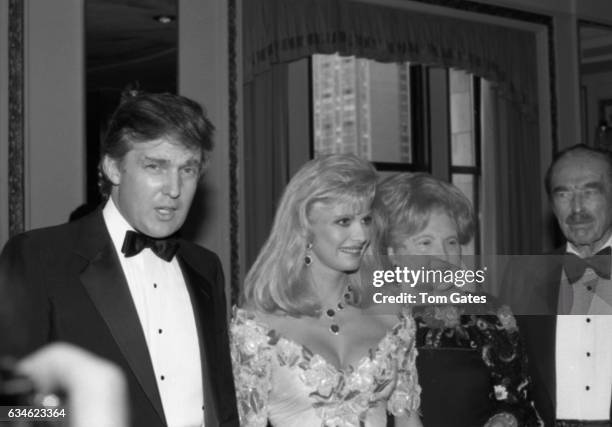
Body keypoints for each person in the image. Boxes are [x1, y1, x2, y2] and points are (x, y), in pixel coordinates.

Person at [0, 92, 239, 427]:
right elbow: (10, 410)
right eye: (155, 166)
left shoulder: (205, 267)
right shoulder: (38, 256)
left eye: (188, 169)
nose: (174, 188)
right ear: (113, 167)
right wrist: (80, 414)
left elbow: (221, 402)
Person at [230, 154, 422, 427]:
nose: (361, 236)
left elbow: (408, 420)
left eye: (366, 220)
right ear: (304, 228)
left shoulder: (393, 317)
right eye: (344, 221)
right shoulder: (257, 326)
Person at [374, 173, 539, 427]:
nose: (444, 255)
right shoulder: (364, 318)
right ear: (392, 252)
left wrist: (505, 420)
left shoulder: (488, 315)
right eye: (425, 242)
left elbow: (519, 402)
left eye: (451, 242)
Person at [501, 145, 612, 426]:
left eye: (590, 192)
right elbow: (505, 370)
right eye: (563, 194)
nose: (576, 208)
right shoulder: (523, 275)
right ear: (551, 205)